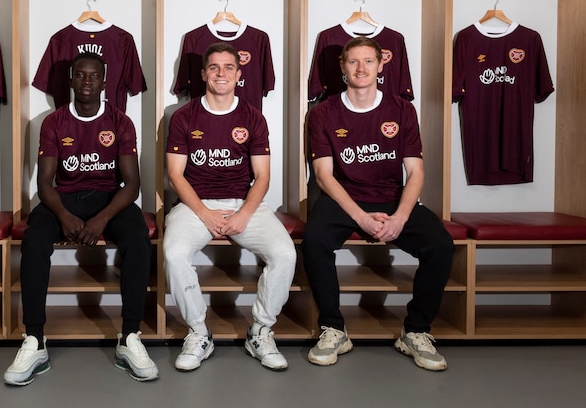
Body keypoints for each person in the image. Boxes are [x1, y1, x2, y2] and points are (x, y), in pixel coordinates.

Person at [4, 52, 157, 385]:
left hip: (109, 200)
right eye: (81, 76)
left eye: (94, 77)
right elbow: (45, 183)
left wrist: (101, 220)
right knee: (34, 239)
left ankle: (130, 337)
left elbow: (132, 184)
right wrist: (64, 216)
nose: (87, 82)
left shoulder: (120, 122)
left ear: (104, 82)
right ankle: (34, 339)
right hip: (64, 198)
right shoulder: (54, 122)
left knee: (137, 238)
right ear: (71, 79)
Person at [302, 36, 454, 371]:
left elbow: (415, 172)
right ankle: (334, 329)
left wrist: (400, 217)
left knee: (441, 244)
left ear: (381, 65)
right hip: (343, 198)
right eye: (353, 62)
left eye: (368, 61)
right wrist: (360, 218)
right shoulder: (323, 112)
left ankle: (415, 331)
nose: (361, 68)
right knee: (313, 240)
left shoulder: (401, 109)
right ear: (342, 67)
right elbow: (324, 175)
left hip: (391, 195)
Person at [163, 41, 296, 372]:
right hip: (195, 205)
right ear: (204, 73)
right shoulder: (183, 116)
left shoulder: (253, 117)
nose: (221, 74)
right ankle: (199, 332)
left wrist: (244, 214)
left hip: (243, 202)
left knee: (286, 254)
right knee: (174, 254)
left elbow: (262, 177)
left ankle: (260, 331)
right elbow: (175, 176)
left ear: (239, 74)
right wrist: (205, 213)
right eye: (214, 68)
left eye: (228, 68)